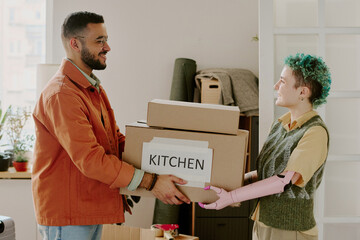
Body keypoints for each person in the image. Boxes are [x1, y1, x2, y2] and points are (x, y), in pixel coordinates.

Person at [32, 11, 190, 240]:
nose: (107, 47)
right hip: (69, 216)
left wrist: (166, 158)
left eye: (106, 40)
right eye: (99, 41)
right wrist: (152, 181)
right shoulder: (61, 95)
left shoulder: (91, 89)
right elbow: (91, 160)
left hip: (90, 210)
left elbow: (115, 143)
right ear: (75, 44)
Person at [199, 53, 331, 240]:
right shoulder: (280, 125)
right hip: (262, 224)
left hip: (290, 231)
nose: (276, 86)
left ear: (303, 92)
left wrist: (233, 196)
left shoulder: (315, 132)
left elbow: (283, 181)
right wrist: (227, 185)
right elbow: (265, 174)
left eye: (283, 82)